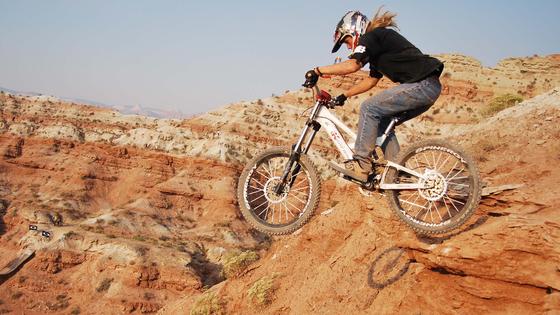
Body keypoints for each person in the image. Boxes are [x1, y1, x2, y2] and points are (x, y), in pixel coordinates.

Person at [304, 8, 443, 182]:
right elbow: (371, 80)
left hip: (422, 84)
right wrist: (344, 95)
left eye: (346, 40)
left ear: (354, 29)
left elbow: (353, 65)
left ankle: (362, 165)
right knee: (382, 121)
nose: (348, 46)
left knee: (369, 108)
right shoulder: (378, 44)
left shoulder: (372, 36)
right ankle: (398, 170)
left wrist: (317, 70)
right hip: (428, 88)